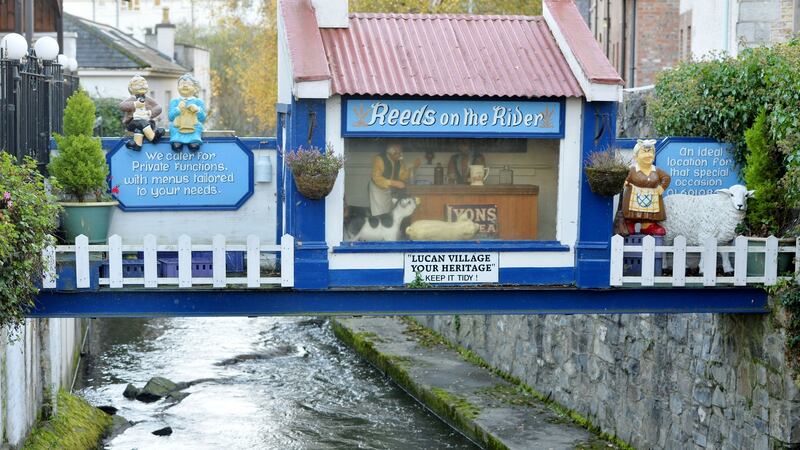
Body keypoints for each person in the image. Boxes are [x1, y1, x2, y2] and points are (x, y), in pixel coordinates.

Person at [622, 139, 671, 235]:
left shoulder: (656, 170)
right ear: (636, 156)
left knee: (649, 214)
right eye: (644, 152)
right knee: (632, 212)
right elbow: (626, 178)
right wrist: (625, 182)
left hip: (652, 196)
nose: (648, 155)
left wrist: (661, 187)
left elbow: (666, 177)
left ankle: (647, 225)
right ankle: (630, 223)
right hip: (634, 195)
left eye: (651, 152)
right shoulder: (632, 170)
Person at [369, 143, 421, 216]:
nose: (401, 156)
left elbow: (402, 176)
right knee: (379, 212)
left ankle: (386, 225)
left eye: (401, 152)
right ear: (390, 154)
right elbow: (377, 178)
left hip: (388, 189)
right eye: (398, 153)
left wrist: (414, 167)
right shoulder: (379, 159)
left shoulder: (399, 161)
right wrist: (394, 183)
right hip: (377, 189)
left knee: (387, 211)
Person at [119, 75, 164, 151]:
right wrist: (134, 104)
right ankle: (153, 138)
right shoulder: (131, 99)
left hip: (148, 123)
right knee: (140, 123)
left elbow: (158, 107)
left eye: (143, 83)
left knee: (139, 128)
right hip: (132, 123)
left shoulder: (148, 99)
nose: (141, 85)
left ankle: (137, 145)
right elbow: (122, 106)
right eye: (137, 84)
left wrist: (150, 113)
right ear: (130, 88)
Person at [168, 73, 206, 152]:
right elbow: (170, 117)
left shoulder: (198, 101)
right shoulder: (174, 101)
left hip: (193, 129)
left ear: (195, 88)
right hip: (178, 129)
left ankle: (194, 141)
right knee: (173, 127)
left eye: (189, 84)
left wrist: (197, 110)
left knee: (198, 127)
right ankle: (177, 141)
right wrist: (177, 109)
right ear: (178, 87)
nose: (185, 86)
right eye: (181, 84)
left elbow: (202, 118)